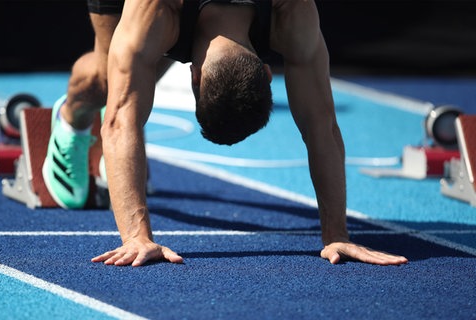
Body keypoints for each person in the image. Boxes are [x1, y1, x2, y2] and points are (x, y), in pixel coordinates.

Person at [42, 0, 409, 267]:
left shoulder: (292, 10)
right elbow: (120, 120)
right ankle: (70, 118)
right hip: (164, 16)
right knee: (108, 84)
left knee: (134, 73)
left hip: (178, 21)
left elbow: (322, 125)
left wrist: (337, 233)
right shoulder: (155, 8)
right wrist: (136, 235)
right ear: (269, 72)